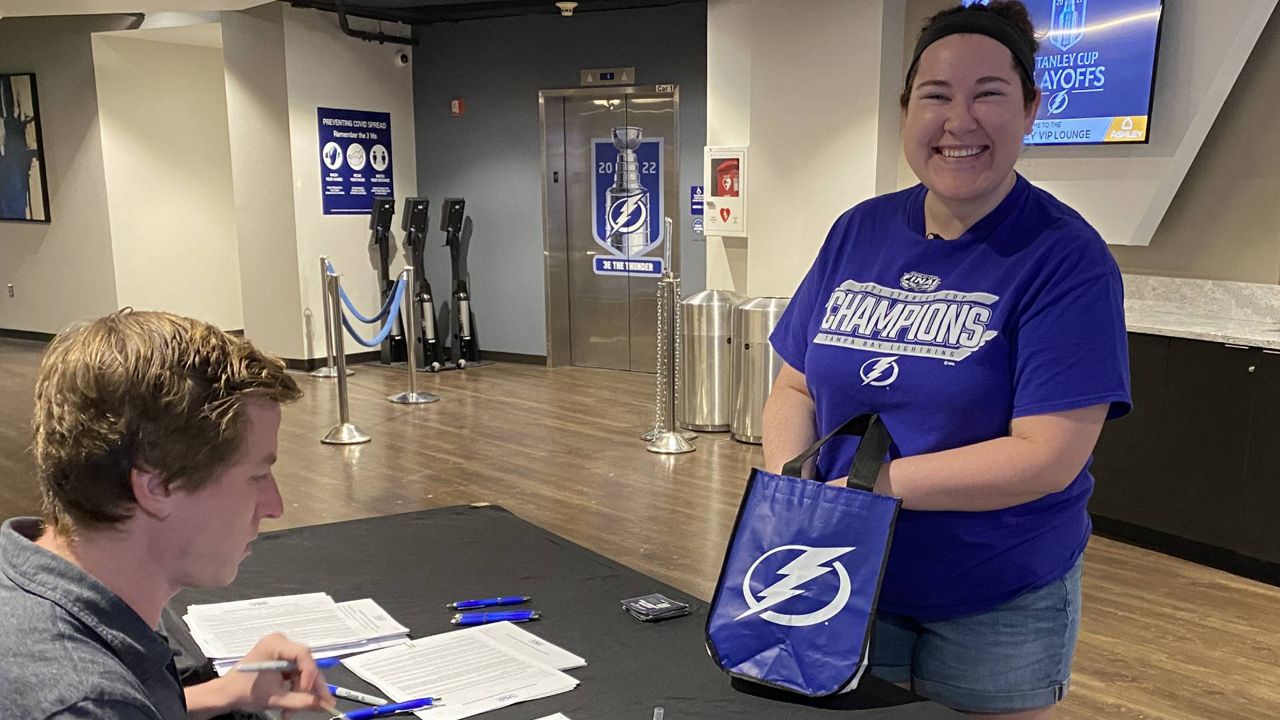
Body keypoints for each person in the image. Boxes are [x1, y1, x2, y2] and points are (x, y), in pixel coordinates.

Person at [762, 2, 1130, 718]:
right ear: (905, 111)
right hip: (846, 572)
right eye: (936, 95)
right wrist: (793, 487)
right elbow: (794, 385)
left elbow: (1045, 457)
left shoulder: (1066, 258)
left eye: (988, 94)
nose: (959, 121)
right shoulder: (858, 231)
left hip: (996, 592)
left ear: (1030, 109)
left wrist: (863, 488)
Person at [0, 309, 335, 719]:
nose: (275, 507)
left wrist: (225, 691)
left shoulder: (27, 577)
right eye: (258, 475)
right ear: (157, 487)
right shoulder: (86, 702)